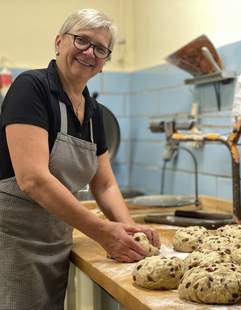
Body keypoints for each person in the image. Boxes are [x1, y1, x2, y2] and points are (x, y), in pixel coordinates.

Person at [0, 8, 160, 310]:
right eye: (82, 41)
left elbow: (105, 184)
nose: (89, 52)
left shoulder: (93, 112)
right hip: (13, 243)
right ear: (59, 42)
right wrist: (103, 233)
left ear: (104, 64)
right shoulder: (31, 89)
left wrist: (130, 232)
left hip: (57, 241)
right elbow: (32, 179)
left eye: (100, 48)